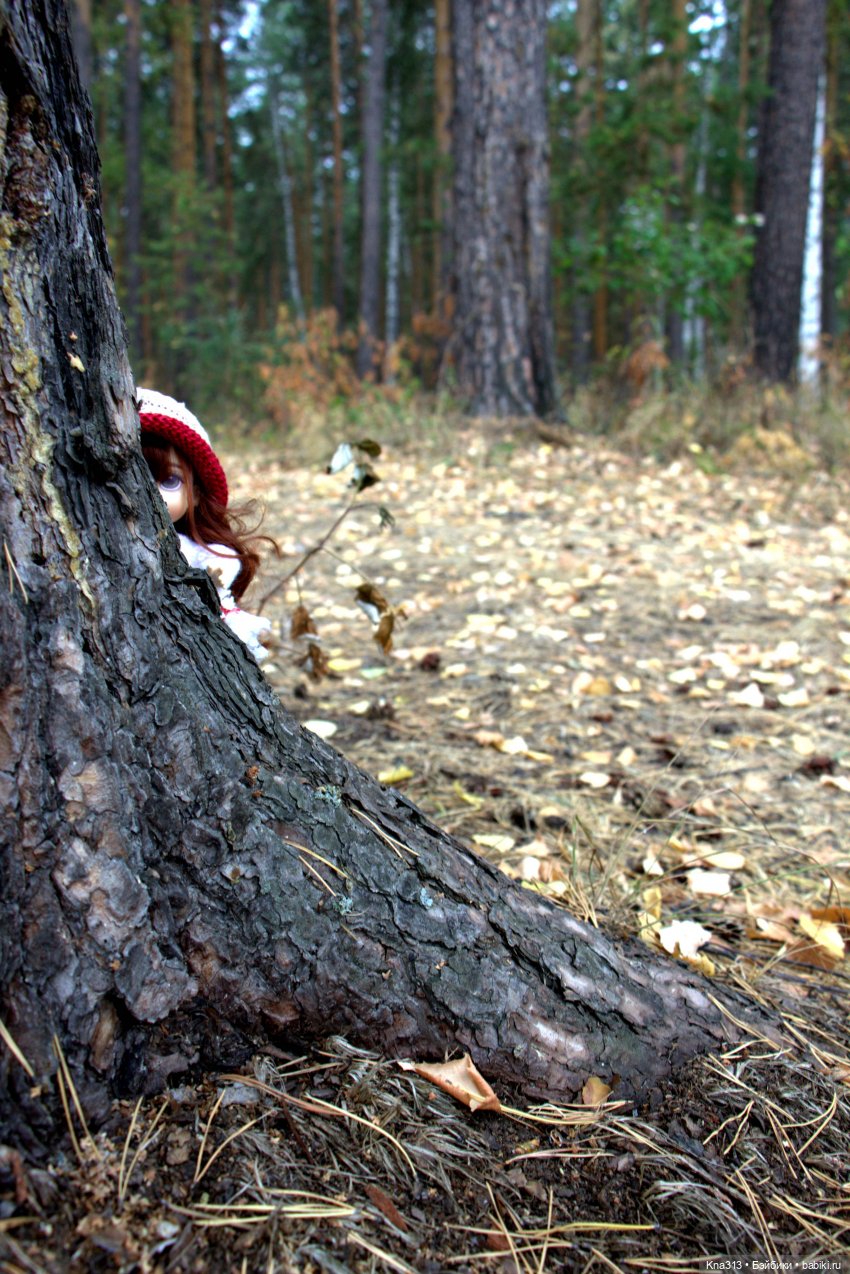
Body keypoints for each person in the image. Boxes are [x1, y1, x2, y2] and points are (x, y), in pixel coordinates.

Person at [137, 387, 275, 661]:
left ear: (196, 494)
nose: (152, 496)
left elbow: (220, 567)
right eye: (137, 477)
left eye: (170, 481)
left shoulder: (191, 551)